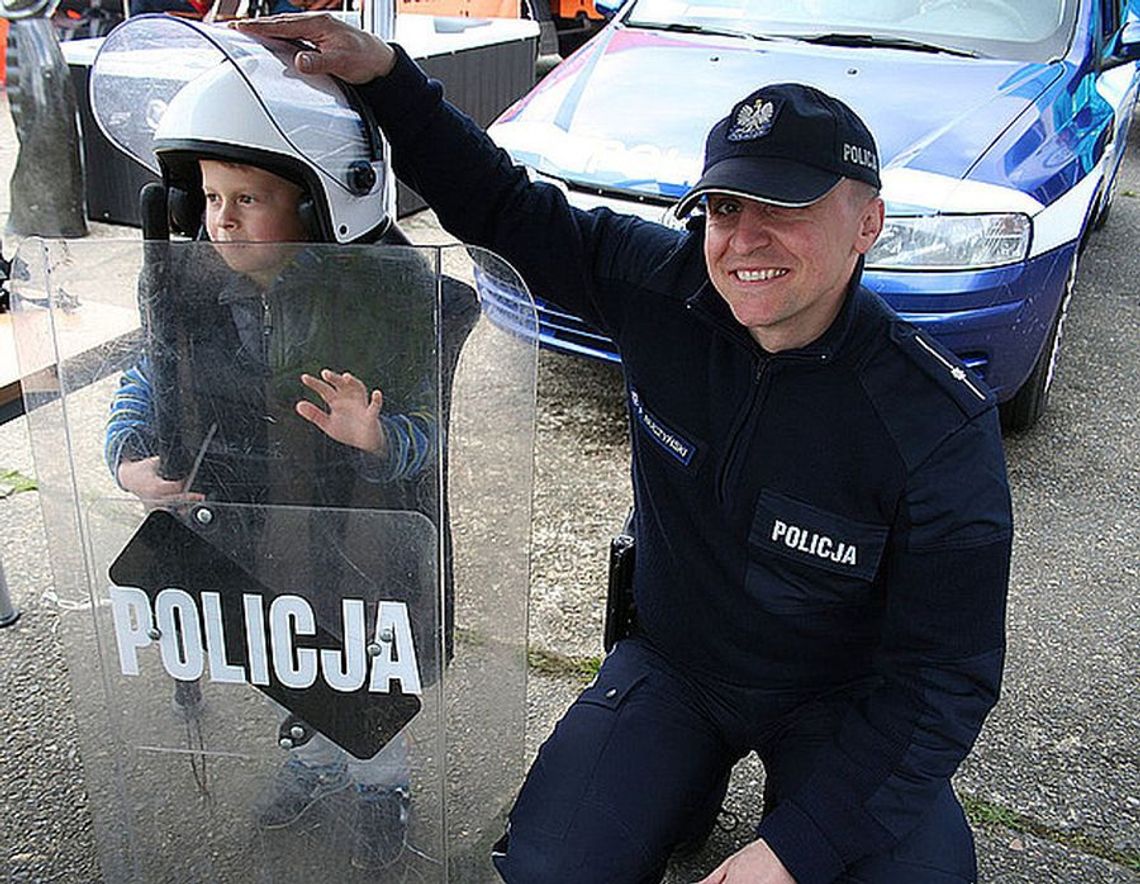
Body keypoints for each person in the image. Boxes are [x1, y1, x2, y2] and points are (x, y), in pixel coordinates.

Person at [236, 14, 1014, 884]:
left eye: (786, 208)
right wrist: (383, 75)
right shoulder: (662, 288)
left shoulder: (936, 422)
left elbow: (944, 678)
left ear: (867, 222)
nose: (744, 238)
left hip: (844, 702)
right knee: (550, 871)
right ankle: (679, 784)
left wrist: (797, 851)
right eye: (724, 207)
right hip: (678, 665)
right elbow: (501, 205)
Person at [101, 38, 478, 871]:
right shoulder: (195, 291)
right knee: (284, 659)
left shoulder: (383, 297)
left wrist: (375, 434)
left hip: (359, 535)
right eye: (209, 198)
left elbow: (426, 426)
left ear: (314, 203)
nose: (222, 218)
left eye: (249, 197)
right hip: (254, 522)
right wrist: (130, 458)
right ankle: (310, 759)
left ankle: (380, 783)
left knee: (361, 672)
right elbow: (148, 378)